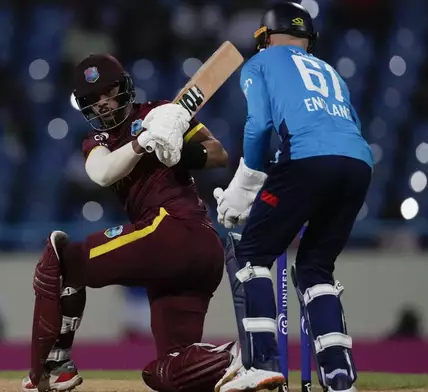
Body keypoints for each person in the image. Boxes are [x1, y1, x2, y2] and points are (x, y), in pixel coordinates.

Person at [22, 53, 235, 392]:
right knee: (168, 371)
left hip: (175, 229)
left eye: (108, 92)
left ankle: (51, 368)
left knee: (62, 260)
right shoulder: (97, 141)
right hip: (192, 255)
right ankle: (237, 359)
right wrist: (143, 143)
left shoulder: (162, 113)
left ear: (124, 88)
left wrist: (178, 149)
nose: (104, 103)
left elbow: (218, 153)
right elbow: (102, 172)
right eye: (94, 99)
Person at [213, 3, 372, 392]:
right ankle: (338, 376)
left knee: (252, 253)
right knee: (316, 268)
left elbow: (259, 125)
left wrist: (246, 184)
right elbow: (352, 124)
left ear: (264, 38)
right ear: (310, 40)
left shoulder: (261, 63)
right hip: (358, 163)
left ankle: (261, 363)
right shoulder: (331, 70)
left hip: (306, 158)